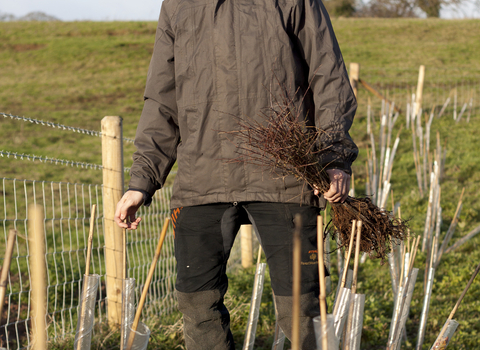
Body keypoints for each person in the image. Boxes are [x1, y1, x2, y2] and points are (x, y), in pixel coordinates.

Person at [114, 0, 358, 348]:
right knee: (197, 306)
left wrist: (334, 156)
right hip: (203, 177)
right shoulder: (179, 5)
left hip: (284, 176)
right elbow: (162, 99)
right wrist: (142, 180)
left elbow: (329, 77)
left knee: (303, 307)